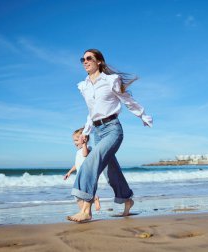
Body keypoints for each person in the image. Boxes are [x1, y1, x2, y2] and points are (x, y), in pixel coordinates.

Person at [67, 48, 153, 222]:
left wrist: (143, 115)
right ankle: (127, 199)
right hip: (97, 132)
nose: (85, 61)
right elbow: (91, 113)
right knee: (111, 171)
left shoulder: (110, 80)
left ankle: (86, 209)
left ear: (99, 61)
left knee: (92, 162)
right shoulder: (83, 86)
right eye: (82, 59)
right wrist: (85, 132)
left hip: (113, 129)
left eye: (89, 58)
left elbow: (127, 99)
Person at [64, 128, 100, 211]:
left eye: (76, 140)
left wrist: (84, 144)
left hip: (86, 176)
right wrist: (69, 172)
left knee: (79, 194)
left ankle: (85, 209)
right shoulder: (78, 152)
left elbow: (85, 155)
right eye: (74, 141)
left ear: (84, 139)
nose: (74, 143)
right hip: (80, 176)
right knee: (80, 195)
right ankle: (93, 200)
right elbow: (77, 165)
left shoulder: (88, 148)